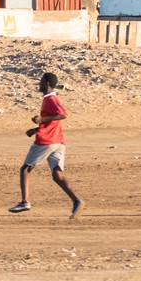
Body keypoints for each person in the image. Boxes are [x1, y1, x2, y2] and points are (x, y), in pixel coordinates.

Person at [9, 72, 85, 219]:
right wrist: (37, 128)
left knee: (25, 169)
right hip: (58, 141)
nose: (39, 84)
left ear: (47, 84)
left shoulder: (51, 98)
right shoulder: (48, 99)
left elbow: (63, 114)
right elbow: (53, 122)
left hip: (47, 141)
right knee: (57, 175)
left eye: (41, 81)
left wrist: (41, 119)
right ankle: (76, 201)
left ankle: (25, 202)